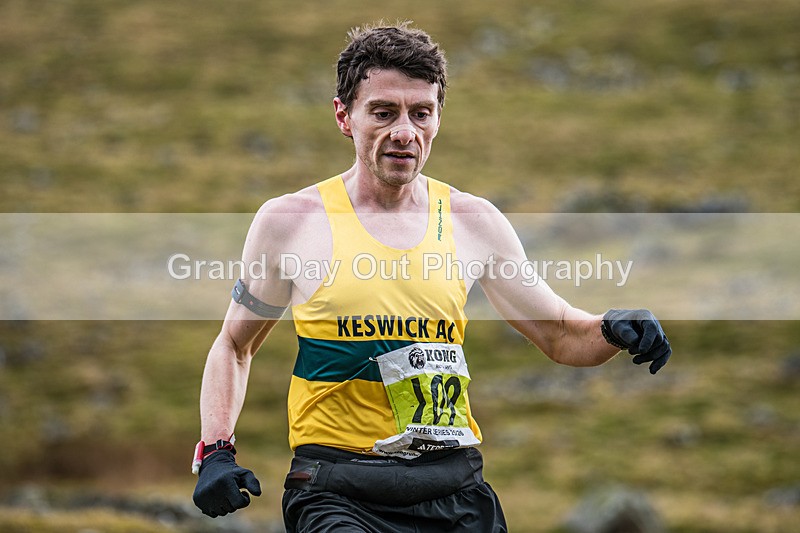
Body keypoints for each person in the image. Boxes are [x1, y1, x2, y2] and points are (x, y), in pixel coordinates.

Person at [191, 22, 672, 532]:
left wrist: (615, 327)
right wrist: (216, 450)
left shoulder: (473, 221)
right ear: (344, 116)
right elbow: (234, 347)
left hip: (455, 490)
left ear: (438, 117)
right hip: (339, 492)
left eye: (421, 113)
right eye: (383, 112)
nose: (404, 131)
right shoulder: (291, 223)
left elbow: (557, 333)